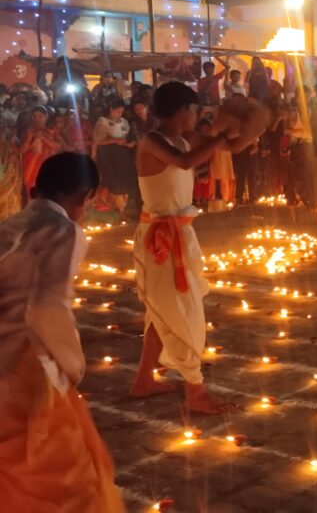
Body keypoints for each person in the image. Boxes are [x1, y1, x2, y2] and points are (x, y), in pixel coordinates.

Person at [0, 153, 125, 512]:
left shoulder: (11, 225)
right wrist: (72, 365)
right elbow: (48, 307)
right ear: (86, 197)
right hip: (26, 367)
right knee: (63, 479)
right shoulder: (63, 230)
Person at [130, 81, 257, 414]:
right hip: (161, 239)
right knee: (182, 311)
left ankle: (143, 380)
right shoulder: (153, 141)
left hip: (178, 234)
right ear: (183, 110)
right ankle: (195, 391)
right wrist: (217, 134)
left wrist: (250, 119)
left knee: (162, 312)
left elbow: (235, 145)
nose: (196, 116)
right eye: (194, 110)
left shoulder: (185, 138)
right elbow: (185, 162)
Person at [93, 102, 136, 217]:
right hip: (108, 155)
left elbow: (127, 136)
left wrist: (129, 143)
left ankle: (122, 208)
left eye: (121, 112)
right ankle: (110, 208)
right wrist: (115, 140)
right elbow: (98, 141)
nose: (119, 114)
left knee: (124, 179)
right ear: (111, 109)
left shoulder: (124, 122)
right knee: (112, 180)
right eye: (117, 112)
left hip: (122, 154)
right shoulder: (103, 122)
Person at [20, 106, 60, 203]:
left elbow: (58, 146)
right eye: (34, 116)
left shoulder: (52, 131)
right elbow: (21, 151)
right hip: (31, 165)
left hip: (47, 164)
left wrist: (43, 138)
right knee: (30, 189)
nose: (37, 119)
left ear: (46, 116)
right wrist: (29, 138)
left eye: (40, 116)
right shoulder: (29, 131)